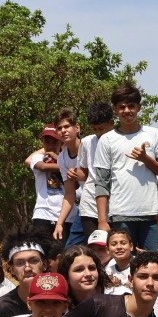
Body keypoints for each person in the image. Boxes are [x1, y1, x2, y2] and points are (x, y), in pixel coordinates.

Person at [92, 83, 158, 251]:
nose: (127, 111)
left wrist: (146, 160)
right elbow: (101, 183)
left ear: (139, 107)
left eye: (131, 106)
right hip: (121, 214)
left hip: (151, 214)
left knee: (154, 263)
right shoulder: (106, 139)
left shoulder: (154, 134)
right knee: (124, 264)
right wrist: (102, 220)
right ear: (115, 109)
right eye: (122, 107)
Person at [59, 101, 113, 247]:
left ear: (111, 123)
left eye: (101, 128)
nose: (98, 133)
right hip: (90, 203)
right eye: (95, 129)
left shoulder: (118, 141)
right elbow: (85, 171)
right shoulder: (88, 142)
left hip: (114, 205)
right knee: (94, 247)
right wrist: (75, 174)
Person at [0, 234, 51, 317]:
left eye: (33, 261)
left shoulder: (58, 302)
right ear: (11, 269)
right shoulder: (1, 308)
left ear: (44, 264)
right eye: (20, 263)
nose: (27, 268)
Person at [27, 126, 66, 242]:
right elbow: (43, 167)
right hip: (43, 214)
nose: (50, 145)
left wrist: (59, 158)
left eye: (55, 142)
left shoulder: (67, 158)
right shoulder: (38, 158)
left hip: (65, 216)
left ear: (61, 142)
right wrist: (66, 167)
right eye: (46, 142)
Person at [49, 109, 83, 241]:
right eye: (59, 128)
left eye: (67, 126)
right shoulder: (62, 158)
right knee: (71, 250)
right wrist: (59, 223)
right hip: (85, 208)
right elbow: (69, 194)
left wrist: (79, 175)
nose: (63, 130)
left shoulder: (89, 146)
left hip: (106, 208)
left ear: (77, 128)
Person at [100, 228, 135, 295]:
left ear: (131, 246)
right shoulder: (108, 271)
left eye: (123, 243)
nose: (119, 247)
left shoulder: (139, 266)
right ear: (107, 249)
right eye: (114, 244)